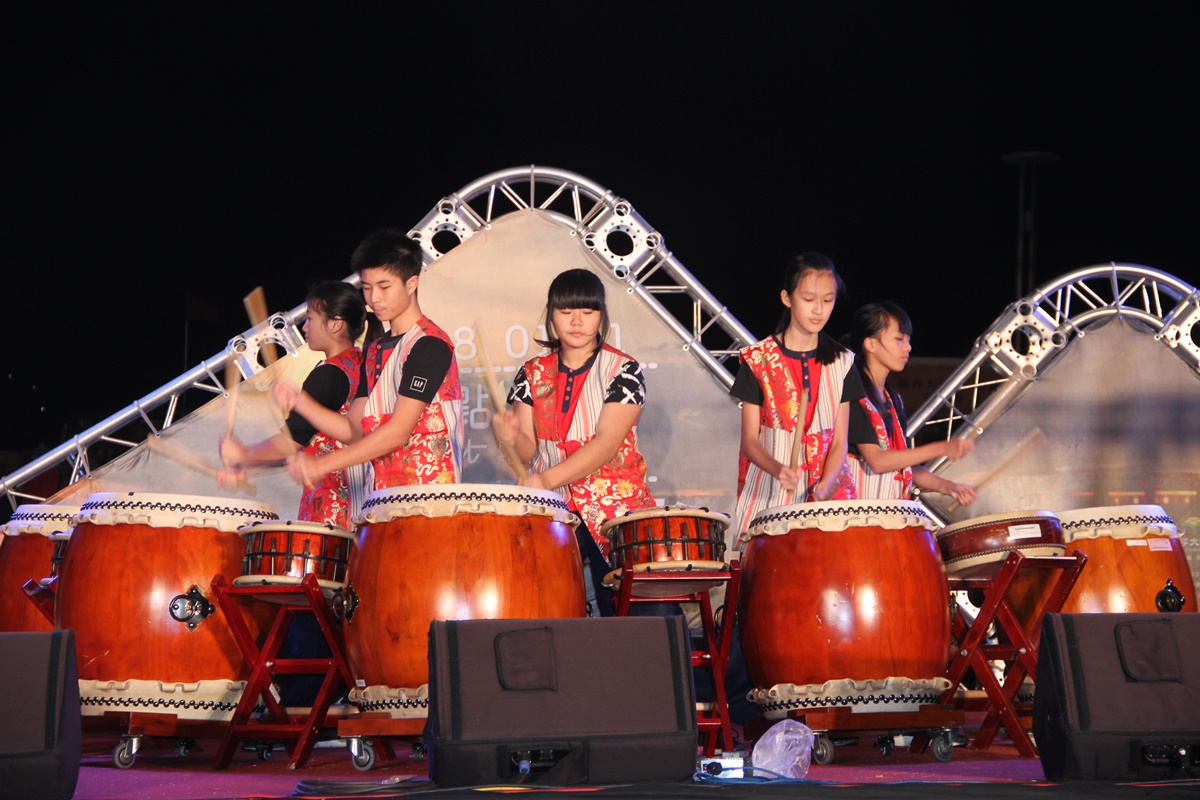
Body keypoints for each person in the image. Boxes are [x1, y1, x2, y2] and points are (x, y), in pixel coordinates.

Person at [492, 268, 654, 616]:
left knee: (629, 613)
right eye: (566, 312)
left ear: (601, 315)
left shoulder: (623, 370)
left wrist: (546, 480)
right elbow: (527, 450)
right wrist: (509, 438)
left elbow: (607, 443)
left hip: (614, 509)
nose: (576, 321)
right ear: (551, 315)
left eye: (587, 311)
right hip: (552, 509)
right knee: (540, 601)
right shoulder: (532, 372)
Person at [277, 229, 463, 491]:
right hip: (381, 499)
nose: (374, 297)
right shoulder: (374, 350)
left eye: (384, 287)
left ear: (411, 284)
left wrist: (323, 465)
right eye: (367, 287)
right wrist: (301, 403)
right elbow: (354, 430)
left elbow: (398, 431)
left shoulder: (429, 344)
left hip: (427, 499)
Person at [730, 251, 864, 538]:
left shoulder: (843, 362)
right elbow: (750, 441)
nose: (819, 310)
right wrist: (778, 469)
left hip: (829, 495)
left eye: (828, 301)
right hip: (771, 492)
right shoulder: (758, 360)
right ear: (787, 298)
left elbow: (840, 438)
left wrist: (827, 484)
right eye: (809, 299)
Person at [218, 281, 366, 529]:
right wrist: (247, 464)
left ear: (336, 324)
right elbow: (307, 445)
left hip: (331, 510)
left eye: (310, 318)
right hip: (361, 505)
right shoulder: (360, 364)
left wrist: (244, 454)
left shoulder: (329, 375)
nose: (305, 327)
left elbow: (290, 442)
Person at [845, 301, 977, 505]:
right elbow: (878, 461)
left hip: (889, 513)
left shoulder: (892, 398)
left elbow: (902, 464)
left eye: (907, 339)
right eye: (899, 339)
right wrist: (942, 448)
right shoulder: (855, 395)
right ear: (870, 344)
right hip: (859, 516)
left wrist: (948, 486)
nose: (908, 347)